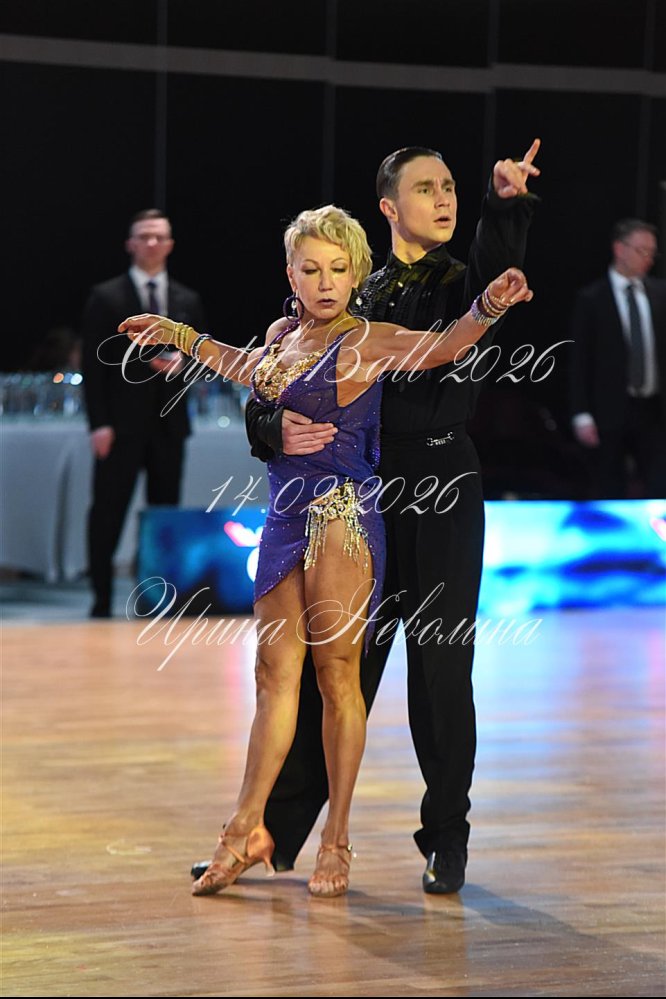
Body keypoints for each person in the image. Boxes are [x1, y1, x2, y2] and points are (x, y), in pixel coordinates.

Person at [119, 205, 532, 897]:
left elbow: (445, 347)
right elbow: (243, 368)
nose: (325, 281)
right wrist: (180, 335)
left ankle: (336, 839)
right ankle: (245, 828)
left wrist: (487, 305)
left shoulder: (367, 339)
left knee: (338, 678)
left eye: (338, 269)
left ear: (355, 274)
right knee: (272, 677)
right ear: (291, 275)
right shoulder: (283, 337)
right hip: (284, 518)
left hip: (342, 518)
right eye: (311, 269)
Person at [243, 142, 540, 894]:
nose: (444, 199)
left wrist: (505, 206)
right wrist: (270, 428)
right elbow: (277, 373)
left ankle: (447, 839)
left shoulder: (459, 281)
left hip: (442, 486)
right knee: (336, 670)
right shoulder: (350, 285)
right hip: (360, 495)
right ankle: (275, 832)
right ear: (388, 207)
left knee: (440, 670)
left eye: (451, 187)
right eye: (426, 188)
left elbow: (489, 281)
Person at [81, 209, 206, 617]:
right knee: (108, 510)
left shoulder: (186, 299)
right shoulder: (107, 297)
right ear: (130, 244)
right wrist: (99, 424)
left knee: (163, 514)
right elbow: (93, 366)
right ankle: (101, 598)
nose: (152, 243)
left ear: (170, 244)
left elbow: (203, 356)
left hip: (169, 424)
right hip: (120, 425)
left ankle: (157, 599)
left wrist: (184, 364)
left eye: (159, 236)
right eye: (145, 236)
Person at [570, 218, 665, 498]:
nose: (648, 259)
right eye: (641, 251)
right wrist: (581, 413)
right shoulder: (591, 298)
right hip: (609, 411)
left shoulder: (660, 294)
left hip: (654, 410)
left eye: (652, 252)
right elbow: (579, 361)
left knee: (658, 484)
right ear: (620, 249)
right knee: (610, 486)